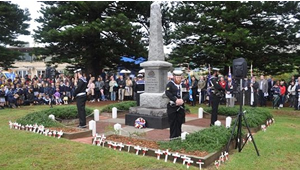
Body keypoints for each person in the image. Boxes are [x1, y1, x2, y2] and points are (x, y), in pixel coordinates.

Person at [165, 70, 188, 139]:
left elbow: (186, 93)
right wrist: (175, 100)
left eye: (179, 77)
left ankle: (178, 136)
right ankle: (172, 137)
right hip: (172, 106)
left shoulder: (183, 85)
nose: (178, 79)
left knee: (179, 121)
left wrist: (182, 100)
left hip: (181, 106)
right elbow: (168, 93)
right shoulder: (170, 84)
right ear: (174, 77)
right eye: (177, 77)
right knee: (173, 122)